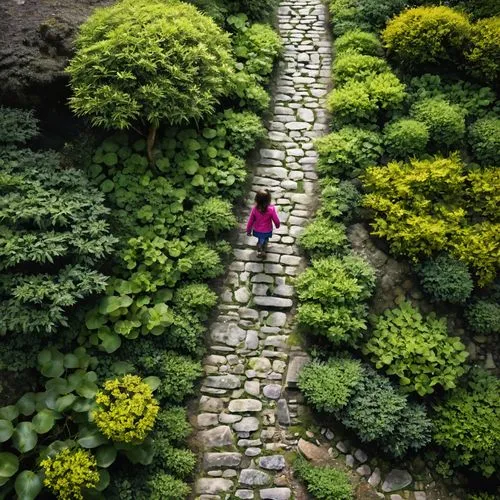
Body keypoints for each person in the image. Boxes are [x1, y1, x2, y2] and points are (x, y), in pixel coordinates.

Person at [246, 190, 280, 258]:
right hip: (267, 230)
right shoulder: (271, 209)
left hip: (257, 230)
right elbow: (276, 219)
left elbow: (250, 221)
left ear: (256, 200)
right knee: (265, 239)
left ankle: (260, 249)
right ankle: (262, 250)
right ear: (268, 200)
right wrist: (277, 225)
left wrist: (248, 230)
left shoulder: (255, 210)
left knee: (260, 239)